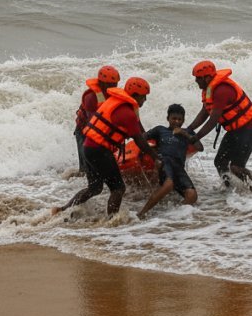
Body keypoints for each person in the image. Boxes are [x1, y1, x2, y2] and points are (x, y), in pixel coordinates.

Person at [52, 77, 158, 217]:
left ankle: (61, 210)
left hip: (88, 148)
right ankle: (112, 221)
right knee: (118, 188)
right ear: (136, 95)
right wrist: (156, 156)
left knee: (94, 188)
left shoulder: (116, 102)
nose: (145, 100)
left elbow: (138, 133)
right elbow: (139, 139)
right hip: (99, 151)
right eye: (144, 97)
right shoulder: (128, 113)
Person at [187, 61, 252, 189]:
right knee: (220, 162)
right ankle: (229, 189)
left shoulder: (222, 91)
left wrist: (196, 137)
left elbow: (213, 119)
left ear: (207, 77)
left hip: (249, 128)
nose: (196, 81)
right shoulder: (209, 89)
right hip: (235, 130)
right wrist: (189, 129)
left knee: (236, 167)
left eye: (198, 78)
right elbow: (205, 112)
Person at [137, 104, 203, 219]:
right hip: (164, 161)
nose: (176, 122)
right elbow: (141, 138)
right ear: (168, 118)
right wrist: (151, 151)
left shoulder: (187, 132)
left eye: (180, 120)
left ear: (183, 121)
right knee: (168, 185)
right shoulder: (160, 130)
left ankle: (171, 217)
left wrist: (184, 133)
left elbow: (200, 147)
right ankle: (142, 213)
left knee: (192, 195)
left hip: (178, 167)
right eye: (173, 119)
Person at [73, 65, 120, 173]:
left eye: (115, 84)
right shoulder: (91, 97)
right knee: (85, 168)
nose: (114, 87)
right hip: (83, 130)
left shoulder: (112, 93)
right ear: (102, 83)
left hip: (98, 130)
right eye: (111, 84)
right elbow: (92, 124)